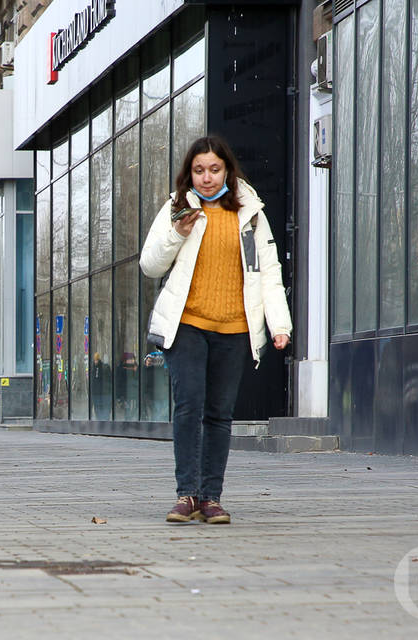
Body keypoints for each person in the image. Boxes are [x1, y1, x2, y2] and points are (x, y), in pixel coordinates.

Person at [139, 135, 292, 526]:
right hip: (187, 323)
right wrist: (178, 234)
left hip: (235, 329)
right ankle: (186, 495)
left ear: (228, 170)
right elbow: (149, 265)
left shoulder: (250, 213)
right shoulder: (178, 208)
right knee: (188, 406)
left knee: (219, 414)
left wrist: (279, 324)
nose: (207, 178)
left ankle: (211, 498)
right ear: (189, 173)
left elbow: (269, 273)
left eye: (214, 169)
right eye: (199, 170)